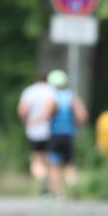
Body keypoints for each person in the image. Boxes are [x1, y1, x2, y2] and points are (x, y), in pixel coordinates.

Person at [42, 69, 89, 198]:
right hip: (69, 134)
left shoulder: (53, 97)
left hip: (56, 134)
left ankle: (60, 192)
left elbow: (46, 114)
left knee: (53, 164)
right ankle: (74, 187)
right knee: (68, 164)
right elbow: (82, 116)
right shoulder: (72, 96)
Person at [17, 71, 56, 193]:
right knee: (48, 158)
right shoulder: (52, 91)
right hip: (50, 129)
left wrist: (27, 121)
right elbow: (52, 109)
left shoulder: (29, 91)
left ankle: (41, 177)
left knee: (36, 158)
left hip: (34, 130)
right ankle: (50, 184)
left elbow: (22, 111)